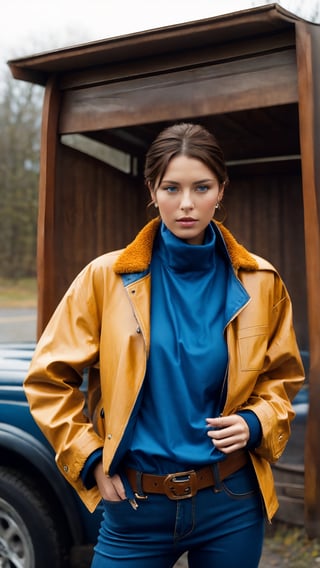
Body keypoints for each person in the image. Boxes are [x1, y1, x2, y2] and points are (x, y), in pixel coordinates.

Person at [24, 122, 304, 568]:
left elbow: (282, 378)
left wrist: (257, 420)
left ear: (221, 190)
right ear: (152, 190)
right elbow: (47, 378)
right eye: (171, 187)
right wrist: (90, 457)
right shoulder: (105, 277)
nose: (187, 204)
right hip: (136, 505)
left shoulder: (260, 281)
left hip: (231, 499)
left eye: (202, 187)